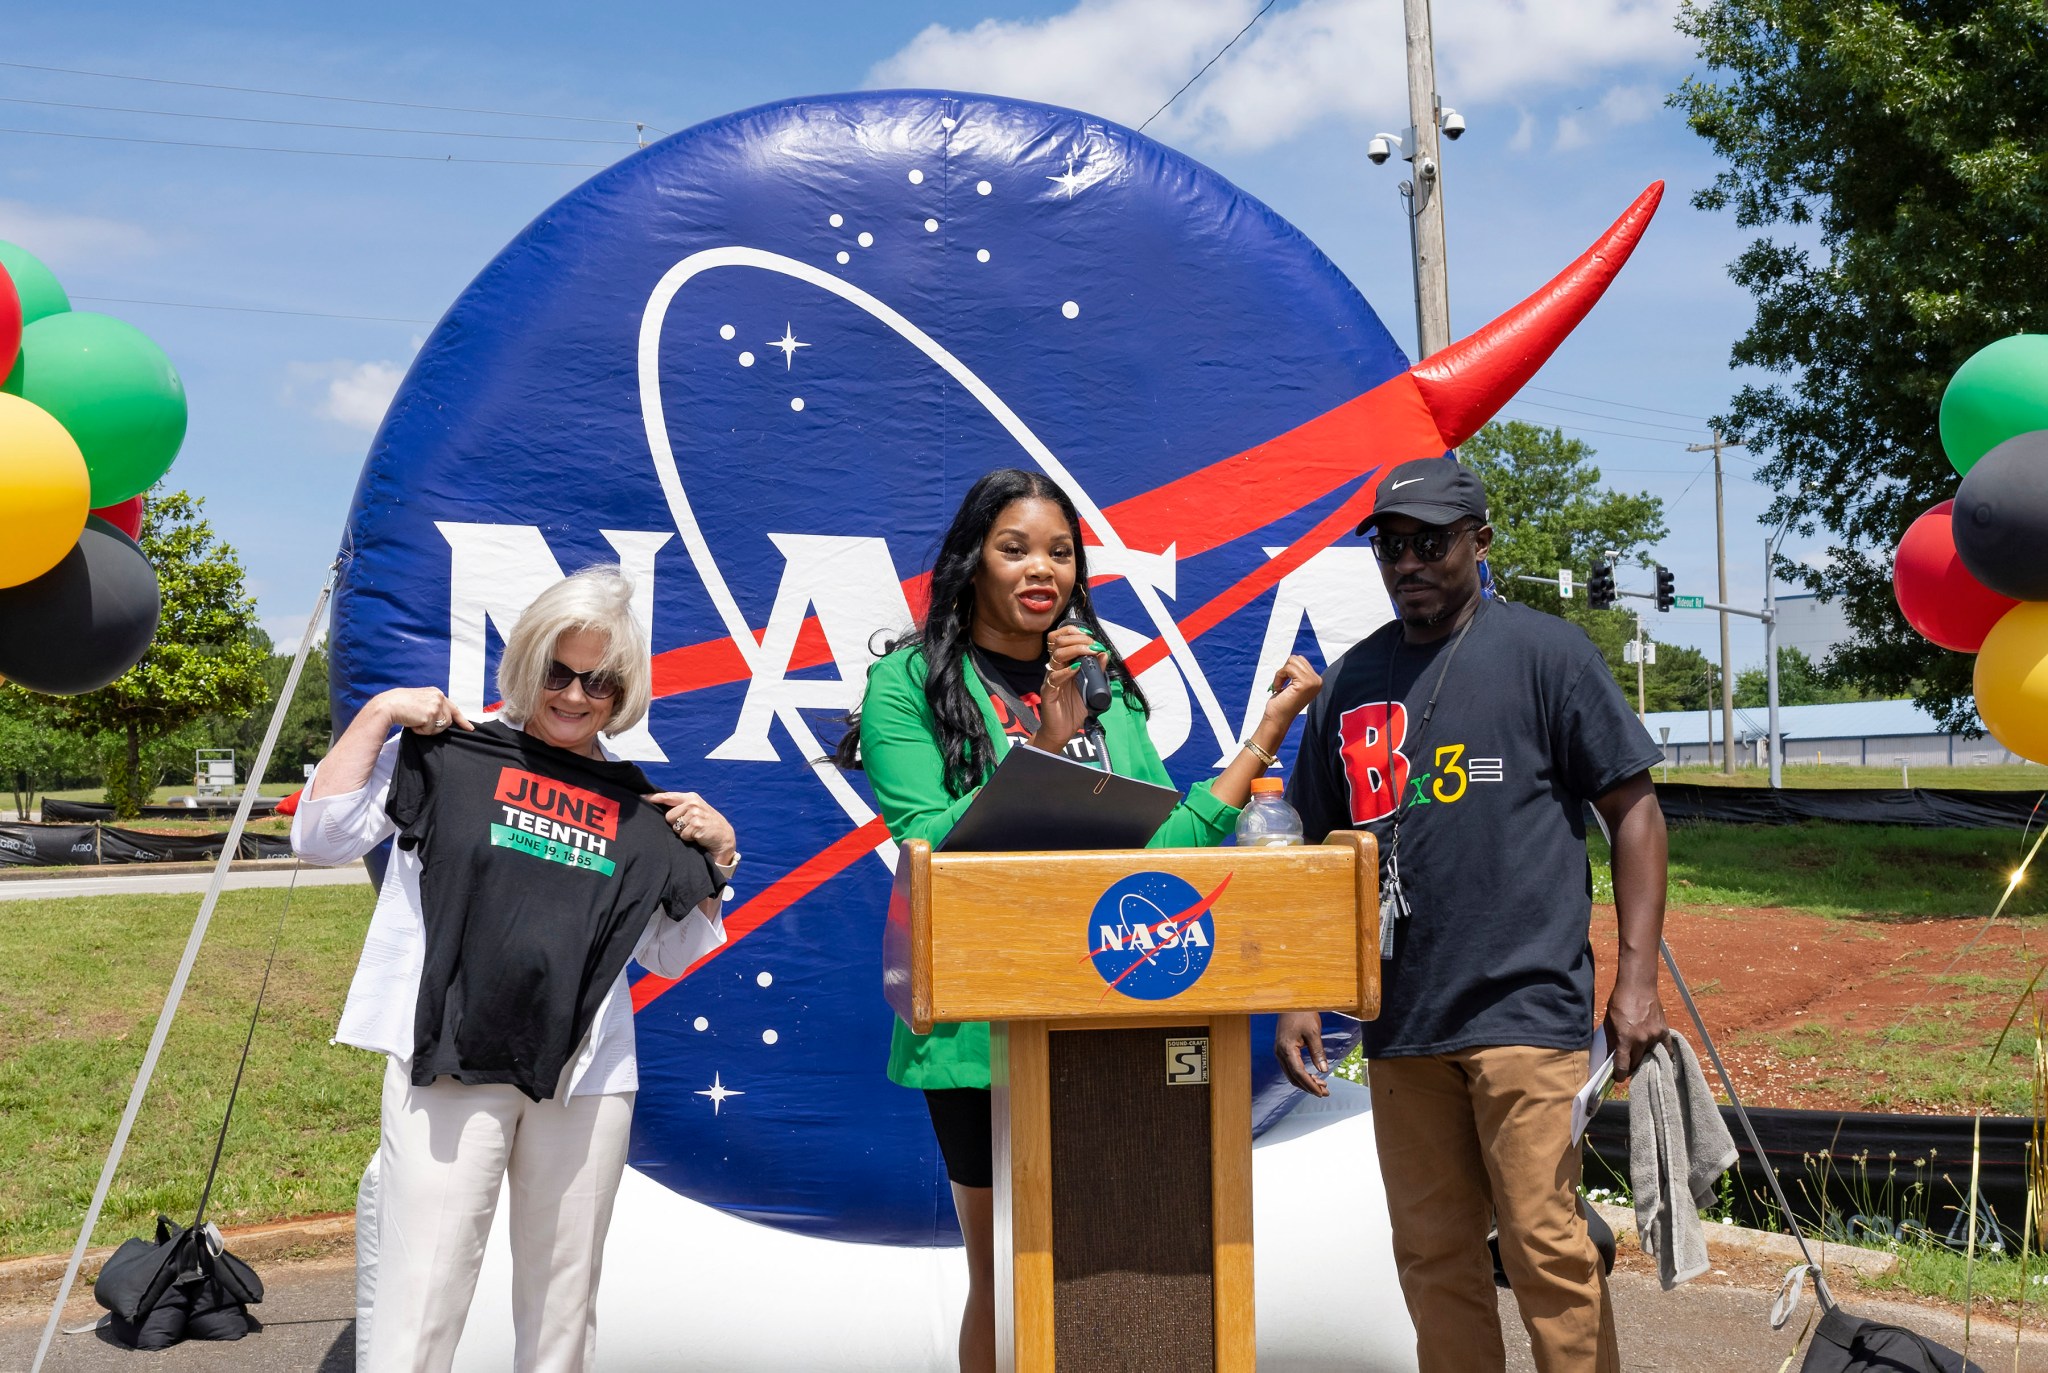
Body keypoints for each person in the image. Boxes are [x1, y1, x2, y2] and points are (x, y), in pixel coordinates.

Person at [834, 467, 1321, 1373]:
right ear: (971, 559)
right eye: (1014, 547)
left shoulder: (1099, 676)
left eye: (1059, 551)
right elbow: (926, 844)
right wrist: (1045, 751)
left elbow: (1161, 840)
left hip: (1116, 1009)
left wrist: (1265, 736)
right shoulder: (907, 686)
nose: (1040, 569)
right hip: (981, 1028)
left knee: (1109, 1273)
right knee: (1009, 1272)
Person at [1274, 457, 1669, 1373]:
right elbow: (1313, 850)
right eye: (1391, 545)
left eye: (1430, 541)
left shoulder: (1548, 654)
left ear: (1480, 542)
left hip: (1526, 1011)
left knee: (1545, 1246)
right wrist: (1299, 988)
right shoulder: (1350, 681)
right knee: (1432, 1259)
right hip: (1401, 1023)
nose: (1407, 560)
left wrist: (1636, 978)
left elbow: (1635, 813)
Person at [292, 566, 741, 1373]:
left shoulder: (641, 807)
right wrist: (380, 712)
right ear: (527, 663)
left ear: (624, 689)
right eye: (557, 672)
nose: (574, 694)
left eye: (598, 681)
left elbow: (671, 951)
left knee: (564, 1305)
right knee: (420, 1301)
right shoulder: (449, 756)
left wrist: (720, 858)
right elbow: (319, 836)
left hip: (586, 1078)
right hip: (448, 1061)